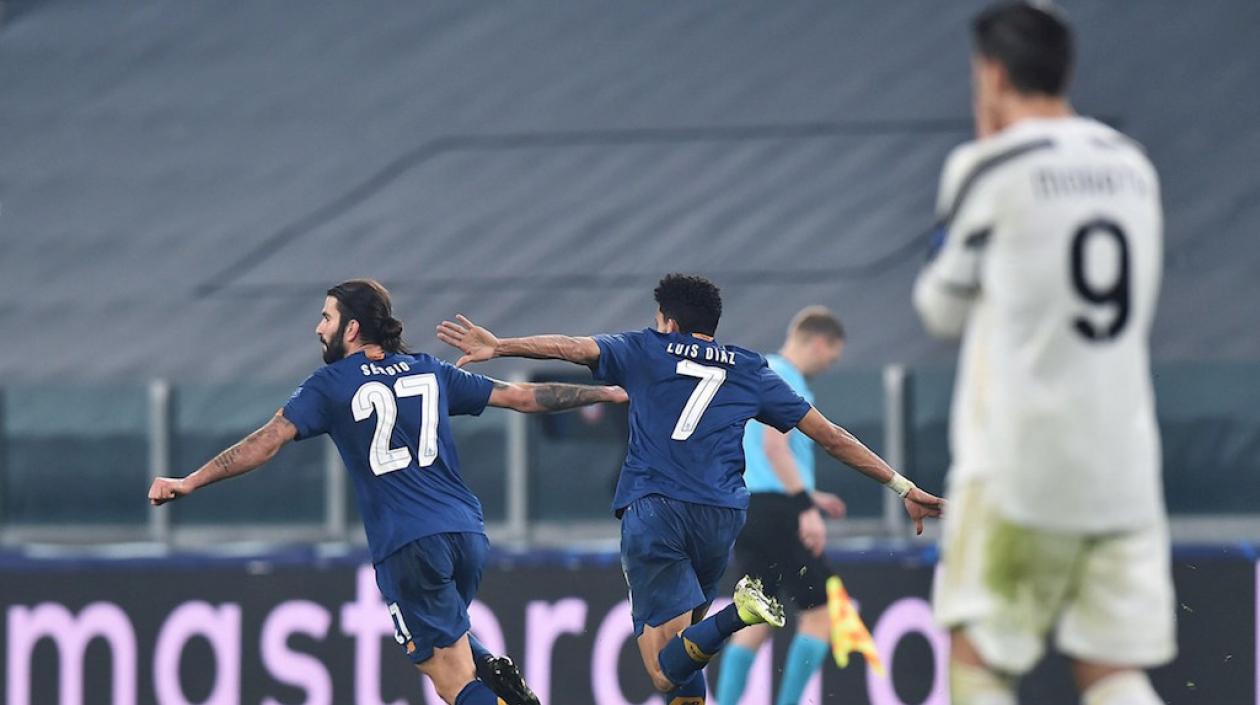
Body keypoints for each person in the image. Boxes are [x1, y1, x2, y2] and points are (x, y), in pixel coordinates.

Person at [438, 273, 943, 703]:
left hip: (657, 511)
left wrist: (499, 345)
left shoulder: (645, 348)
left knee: (662, 669)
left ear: (669, 321)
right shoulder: (749, 368)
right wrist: (903, 486)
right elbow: (831, 437)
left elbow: (572, 347)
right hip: (721, 517)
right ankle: (731, 619)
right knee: (684, 659)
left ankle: (739, 614)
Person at [148, 279, 627, 705]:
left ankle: (489, 687)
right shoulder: (429, 370)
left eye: (326, 317)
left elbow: (265, 443)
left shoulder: (329, 385)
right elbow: (522, 396)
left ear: (351, 329)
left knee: (451, 682)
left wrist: (190, 480)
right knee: (457, 648)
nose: (318, 328)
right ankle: (494, 675)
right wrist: (603, 394)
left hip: (408, 545)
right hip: (467, 534)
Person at [913, 4, 1173, 705]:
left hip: (1019, 465)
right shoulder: (1132, 166)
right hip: (1123, 466)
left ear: (993, 75)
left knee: (979, 660)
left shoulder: (989, 167)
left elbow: (940, 308)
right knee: (1111, 668)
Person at [717, 305, 848, 705]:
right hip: (780, 511)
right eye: (832, 355)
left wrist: (811, 495)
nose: (829, 364)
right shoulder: (787, 380)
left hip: (750, 508)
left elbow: (757, 453)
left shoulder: (756, 372)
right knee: (820, 614)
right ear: (819, 341)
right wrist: (805, 507)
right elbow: (776, 447)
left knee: (756, 615)